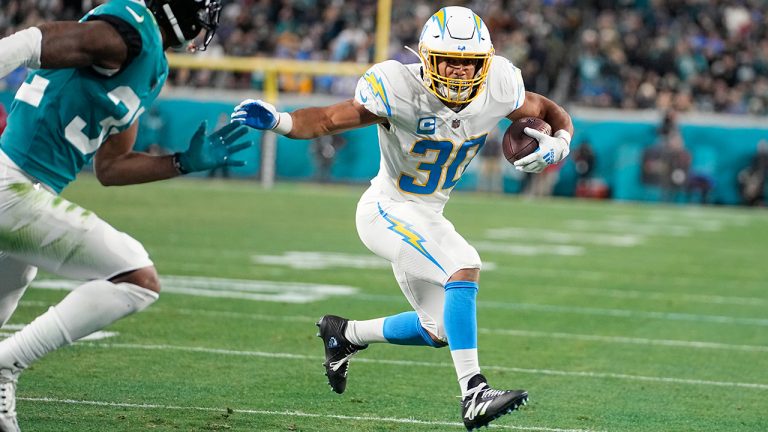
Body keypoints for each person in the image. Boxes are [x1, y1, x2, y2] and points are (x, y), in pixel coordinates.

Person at [232, 6, 574, 430]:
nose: (460, 72)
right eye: (449, 61)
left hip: (428, 214)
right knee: (463, 264)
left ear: (484, 64)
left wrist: (561, 142)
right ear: (427, 59)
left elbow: (551, 111)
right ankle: (474, 392)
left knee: (440, 328)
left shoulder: (499, 85)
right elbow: (328, 119)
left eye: (469, 64)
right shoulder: (398, 87)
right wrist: (280, 121)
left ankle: (345, 334)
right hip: (386, 209)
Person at [0, 1, 251, 430]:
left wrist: (181, 163)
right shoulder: (133, 29)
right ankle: (7, 363)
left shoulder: (151, 62)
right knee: (136, 277)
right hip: (14, 185)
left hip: (27, 193)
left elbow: (111, 167)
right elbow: (32, 42)